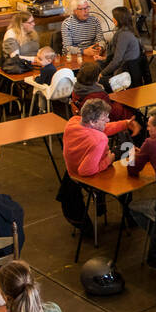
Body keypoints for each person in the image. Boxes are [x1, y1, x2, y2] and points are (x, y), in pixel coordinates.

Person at [58, 98, 141, 240]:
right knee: (127, 170)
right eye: (104, 118)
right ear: (92, 121)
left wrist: (125, 124)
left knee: (128, 149)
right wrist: (109, 159)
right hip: (88, 176)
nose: (108, 119)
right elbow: (86, 171)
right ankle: (130, 215)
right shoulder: (99, 140)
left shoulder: (74, 121)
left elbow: (102, 128)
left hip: (72, 171)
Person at [99, 6, 143, 86]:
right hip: (128, 71)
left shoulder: (123, 35)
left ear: (118, 20)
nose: (112, 19)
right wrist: (104, 58)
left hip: (125, 77)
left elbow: (117, 60)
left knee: (95, 82)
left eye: (114, 17)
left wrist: (102, 73)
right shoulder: (128, 30)